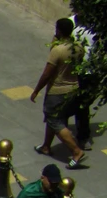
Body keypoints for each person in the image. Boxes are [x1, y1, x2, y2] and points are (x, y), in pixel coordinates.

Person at [32, 18, 85, 169]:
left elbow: (47, 74)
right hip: (73, 89)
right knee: (54, 117)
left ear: (59, 31)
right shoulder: (78, 47)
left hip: (57, 91)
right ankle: (46, 146)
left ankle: (76, 151)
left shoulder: (58, 50)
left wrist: (36, 90)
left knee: (54, 120)